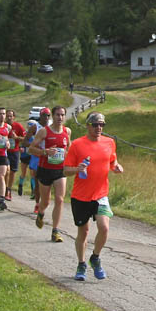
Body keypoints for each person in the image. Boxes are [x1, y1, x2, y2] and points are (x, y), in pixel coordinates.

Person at [63, 112, 123, 280]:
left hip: (101, 194)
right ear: (88, 125)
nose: (99, 128)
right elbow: (66, 170)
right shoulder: (77, 144)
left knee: (104, 228)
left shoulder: (109, 142)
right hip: (81, 196)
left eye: (102, 125)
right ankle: (81, 264)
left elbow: (112, 161)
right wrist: (77, 169)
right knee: (83, 232)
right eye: (96, 124)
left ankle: (95, 258)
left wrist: (116, 167)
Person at [29, 105, 70, 242]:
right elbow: (31, 149)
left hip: (60, 170)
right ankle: (40, 213)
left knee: (59, 199)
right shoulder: (44, 132)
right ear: (53, 116)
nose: (60, 117)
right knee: (45, 201)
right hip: (45, 169)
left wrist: (67, 155)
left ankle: (55, 231)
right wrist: (45, 152)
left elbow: (69, 148)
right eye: (58, 115)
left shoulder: (67, 131)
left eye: (62, 115)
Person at [5, 108, 23, 200]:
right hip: (4, 152)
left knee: (12, 172)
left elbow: (25, 138)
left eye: (10, 116)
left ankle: (9, 189)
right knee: (6, 170)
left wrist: (17, 137)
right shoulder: (2, 126)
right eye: (7, 116)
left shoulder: (18, 126)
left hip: (15, 152)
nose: (8, 118)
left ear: (14, 117)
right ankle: (6, 190)